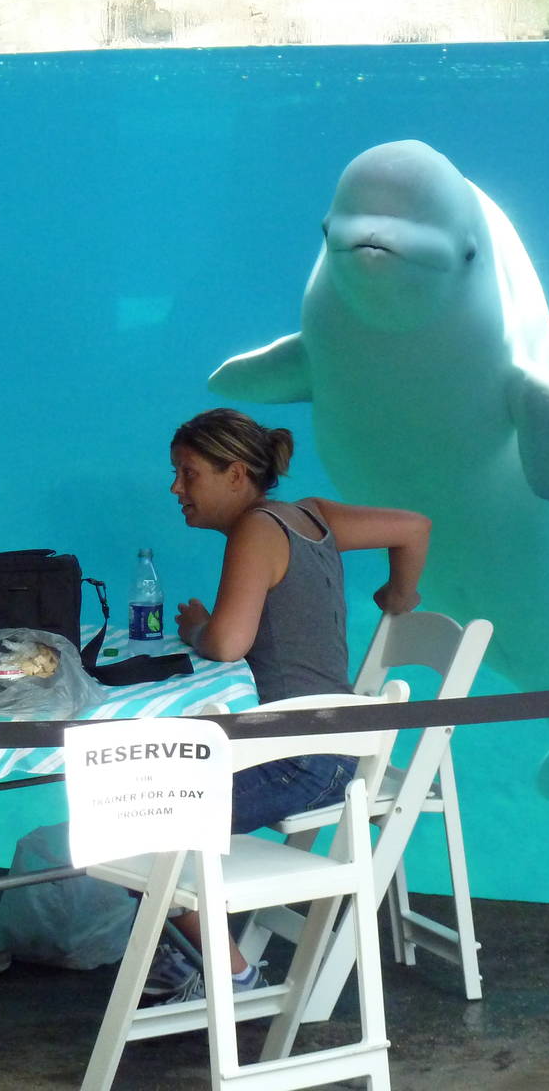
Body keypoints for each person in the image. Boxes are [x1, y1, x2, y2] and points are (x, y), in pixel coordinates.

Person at [151, 407, 429, 1002]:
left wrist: (198, 626)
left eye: (188, 473)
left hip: (300, 763)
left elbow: (228, 643)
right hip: (332, 748)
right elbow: (414, 527)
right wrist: (399, 596)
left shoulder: (257, 530)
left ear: (235, 474)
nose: (176, 488)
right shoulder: (313, 516)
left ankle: (235, 979)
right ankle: (188, 962)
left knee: (142, 823)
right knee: (155, 804)